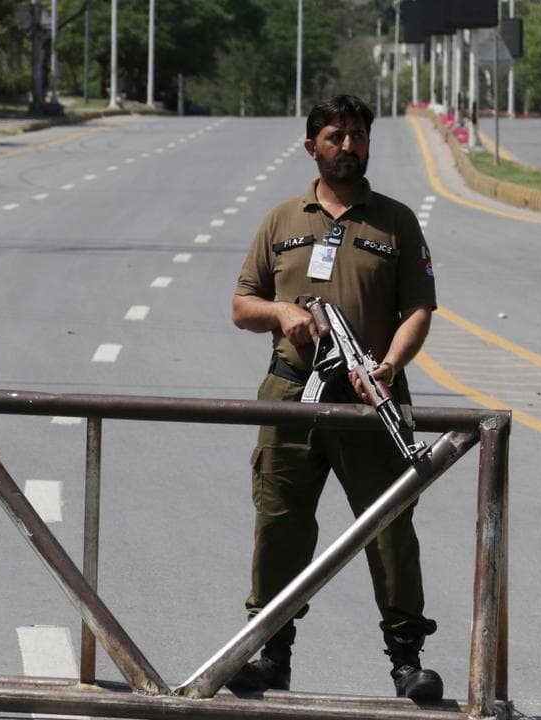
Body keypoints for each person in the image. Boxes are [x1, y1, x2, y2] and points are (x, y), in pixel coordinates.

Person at [227, 94, 442, 701]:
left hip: (370, 399)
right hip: (291, 391)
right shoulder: (280, 220)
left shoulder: (395, 221)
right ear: (311, 145)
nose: (347, 146)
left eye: (357, 136)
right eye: (334, 136)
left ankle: (407, 659)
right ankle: (270, 651)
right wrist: (281, 313)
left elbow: (419, 308)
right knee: (280, 523)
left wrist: (388, 367)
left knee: (389, 524)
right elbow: (242, 305)